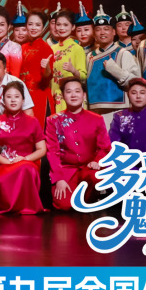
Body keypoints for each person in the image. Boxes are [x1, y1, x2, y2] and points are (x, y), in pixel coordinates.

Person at [44, 78, 109, 210]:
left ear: (84, 95)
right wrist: (59, 178)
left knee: (96, 178)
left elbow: (105, 147)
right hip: (66, 170)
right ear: (63, 96)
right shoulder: (53, 120)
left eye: (77, 91)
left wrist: (97, 162)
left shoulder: (97, 119)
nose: (73, 95)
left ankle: (91, 195)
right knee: (64, 205)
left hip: (89, 169)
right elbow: (52, 152)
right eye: (69, 92)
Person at [0, 82, 46, 214]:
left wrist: (24, 159)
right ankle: (9, 206)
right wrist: (7, 162)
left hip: (27, 163)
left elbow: (42, 149)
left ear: (23, 100)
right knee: (2, 178)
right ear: (3, 101)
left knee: (26, 169)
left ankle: (27, 207)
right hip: (4, 164)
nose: (13, 100)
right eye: (9, 97)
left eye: (17, 96)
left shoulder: (33, 121)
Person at [84, 6, 139, 118]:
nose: (102, 32)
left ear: (113, 32)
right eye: (98, 30)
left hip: (119, 111)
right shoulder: (90, 56)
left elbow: (136, 83)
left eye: (106, 29)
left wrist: (115, 71)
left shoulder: (123, 53)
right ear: (94, 34)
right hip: (94, 112)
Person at [45, 7, 88, 115]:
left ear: (73, 27)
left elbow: (83, 77)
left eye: (65, 25)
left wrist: (73, 70)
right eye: (58, 24)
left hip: (70, 98)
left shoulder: (77, 48)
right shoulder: (51, 49)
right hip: (54, 96)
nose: (61, 28)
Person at [16, 8, 55, 126]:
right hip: (23, 96)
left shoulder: (46, 48)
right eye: (30, 24)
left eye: (38, 25)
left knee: (38, 130)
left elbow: (47, 77)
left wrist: (47, 67)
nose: (33, 28)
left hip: (39, 96)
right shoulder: (22, 47)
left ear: (43, 27)